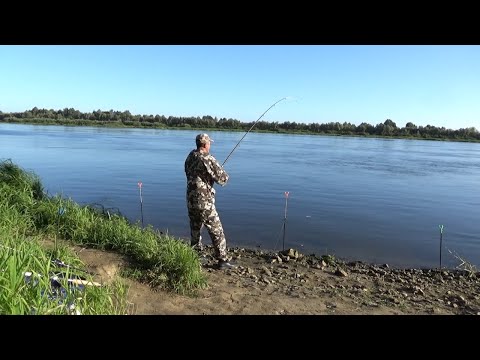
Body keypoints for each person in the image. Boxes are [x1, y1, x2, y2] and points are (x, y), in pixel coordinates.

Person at [184, 133, 236, 270]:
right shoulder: (208, 158)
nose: (210, 145)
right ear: (205, 144)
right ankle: (223, 260)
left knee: (195, 227)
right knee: (216, 230)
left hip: (190, 199)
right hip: (204, 201)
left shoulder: (190, 156)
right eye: (209, 143)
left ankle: (196, 254)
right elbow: (223, 179)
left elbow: (190, 173)